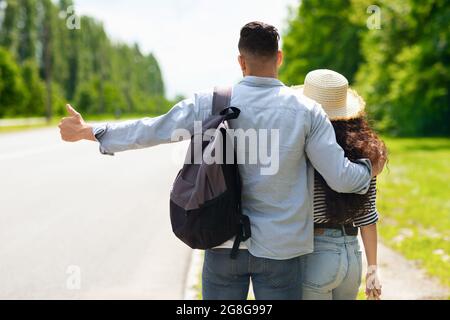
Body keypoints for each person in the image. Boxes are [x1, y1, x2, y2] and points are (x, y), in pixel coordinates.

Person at [58, 22, 385, 300]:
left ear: (241, 61)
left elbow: (153, 129)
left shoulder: (210, 102)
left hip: (221, 242)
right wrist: (370, 169)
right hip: (282, 253)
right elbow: (342, 178)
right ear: (280, 58)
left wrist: (91, 132)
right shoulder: (307, 111)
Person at [294, 69, 384, 300]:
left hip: (315, 253)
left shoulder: (304, 148)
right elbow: (368, 215)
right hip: (351, 255)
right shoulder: (364, 154)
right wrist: (372, 268)